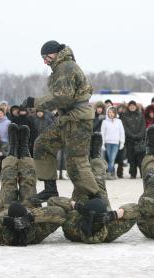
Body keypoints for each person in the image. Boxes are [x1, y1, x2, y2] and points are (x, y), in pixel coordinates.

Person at [22, 40, 104, 202]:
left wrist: (35, 102)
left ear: (56, 53)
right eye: (43, 58)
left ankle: (97, 199)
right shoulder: (59, 68)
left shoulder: (65, 66)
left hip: (78, 120)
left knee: (76, 163)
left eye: (47, 57)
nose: (45, 61)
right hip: (67, 119)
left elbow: (63, 97)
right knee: (42, 145)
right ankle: (50, 190)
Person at [0, 125, 67, 246]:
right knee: (28, 184)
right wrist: (31, 217)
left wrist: (5, 221)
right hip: (30, 209)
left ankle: (12, 150)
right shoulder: (36, 232)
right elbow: (60, 213)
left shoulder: (1, 234)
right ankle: (24, 150)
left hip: (5, 210)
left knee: (8, 184)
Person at [48, 197, 138, 244]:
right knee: (98, 190)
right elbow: (137, 209)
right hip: (93, 213)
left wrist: (75, 205)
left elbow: (52, 200)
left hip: (75, 217)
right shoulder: (111, 228)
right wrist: (116, 214)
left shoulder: (72, 222)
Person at [121, 100, 146, 179]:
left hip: (139, 141)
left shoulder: (140, 115)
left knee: (141, 158)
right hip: (129, 140)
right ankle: (133, 173)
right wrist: (132, 135)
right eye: (131, 105)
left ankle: (143, 173)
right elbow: (124, 128)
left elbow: (143, 127)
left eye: (133, 105)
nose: (132, 107)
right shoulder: (124, 115)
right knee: (131, 158)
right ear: (128, 107)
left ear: (136, 106)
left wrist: (139, 135)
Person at [101, 106, 125, 179]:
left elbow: (122, 132)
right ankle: (111, 173)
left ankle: (108, 173)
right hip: (108, 143)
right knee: (109, 158)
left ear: (115, 113)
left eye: (112, 112)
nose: (110, 114)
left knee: (112, 158)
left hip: (116, 143)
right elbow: (102, 133)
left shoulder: (119, 121)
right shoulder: (104, 122)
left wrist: (122, 142)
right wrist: (102, 143)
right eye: (109, 112)